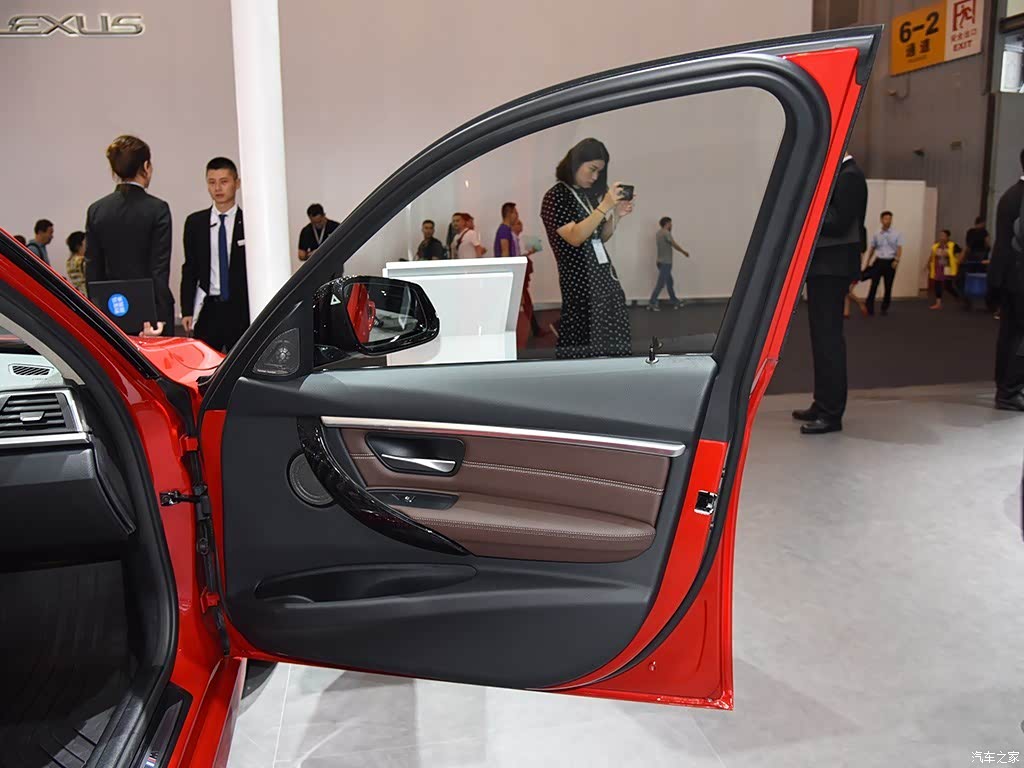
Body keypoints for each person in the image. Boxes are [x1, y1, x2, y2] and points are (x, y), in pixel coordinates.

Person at [540, 137, 635, 359]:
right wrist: (605, 205)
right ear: (575, 163)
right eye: (592, 169)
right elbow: (575, 237)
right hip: (581, 284)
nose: (595, 177)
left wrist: (617, 215)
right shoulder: (556, 196)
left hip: (604, 281)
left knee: (613, 343)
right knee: (581, 344)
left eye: (599, 172)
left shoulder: (586, 195)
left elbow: (599, 236)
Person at [792, 154, 867, 435]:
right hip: (826, 266)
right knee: (822, 339)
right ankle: (822, 404)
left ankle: (831, 413)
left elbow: (839, 221)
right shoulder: (844, 174)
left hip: (832, 267)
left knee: (829, 341)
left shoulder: (849, 176)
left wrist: (805, 209)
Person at [85, 135, 174, 336]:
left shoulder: (97, 210)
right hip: (148, 311)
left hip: (110, 311)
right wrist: (161, 315)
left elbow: (93, 270)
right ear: (146, 166)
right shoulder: (157, 209)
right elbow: (159, 270)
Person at [180, 157, 250, 352]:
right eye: (212, 182)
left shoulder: (249, 221)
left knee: (242, 362)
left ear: (237, 183)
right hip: (209, 307)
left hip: (241, 308)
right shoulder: (195, 223)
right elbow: (190, 268)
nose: (218, 188)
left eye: (224, 181)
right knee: (205, 361)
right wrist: (187, 310)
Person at [988, 148, 1024, 411]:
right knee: (1019, 337)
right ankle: (1010, 392)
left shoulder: (1011, 194)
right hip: (1020, 276)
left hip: (1008, 276)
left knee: (1009, 334)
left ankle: (1005, 387)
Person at [863, 210, 903, 316]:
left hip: (890, 262)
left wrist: (897, 260)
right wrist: (867, 261)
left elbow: (899, 248)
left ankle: (884, 307)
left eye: (890, 219)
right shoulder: (877, 234)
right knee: (874, 285)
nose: (888, 221)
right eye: (886, 219)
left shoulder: (897, 233)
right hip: (879, 261)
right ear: (881, 220)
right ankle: (869, 307)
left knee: (888, 286)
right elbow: (872, 248)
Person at [647, 216, 690, 311]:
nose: (671, 225)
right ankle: (652, 303)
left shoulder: (659, 233)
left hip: (660, 262)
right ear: (666, 224)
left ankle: (674, 300)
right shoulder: (666, 233)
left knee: (669, 282)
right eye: (670, 223)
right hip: (666, 263)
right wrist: (684, 252)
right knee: (661, 283)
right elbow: (674, 244)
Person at [927, 229, 962, 310]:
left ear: (947, 237)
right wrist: (928, 263)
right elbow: (932, 255)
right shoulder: (936, 245)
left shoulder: (953, 245)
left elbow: (959, 255)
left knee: (948, 286)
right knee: (937, 283)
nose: (941, 237)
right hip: (938, 267)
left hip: (948, 267)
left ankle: (958, 297)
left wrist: (957, 261)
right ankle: (938, 303)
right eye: (940, 235)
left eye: (943, 236)